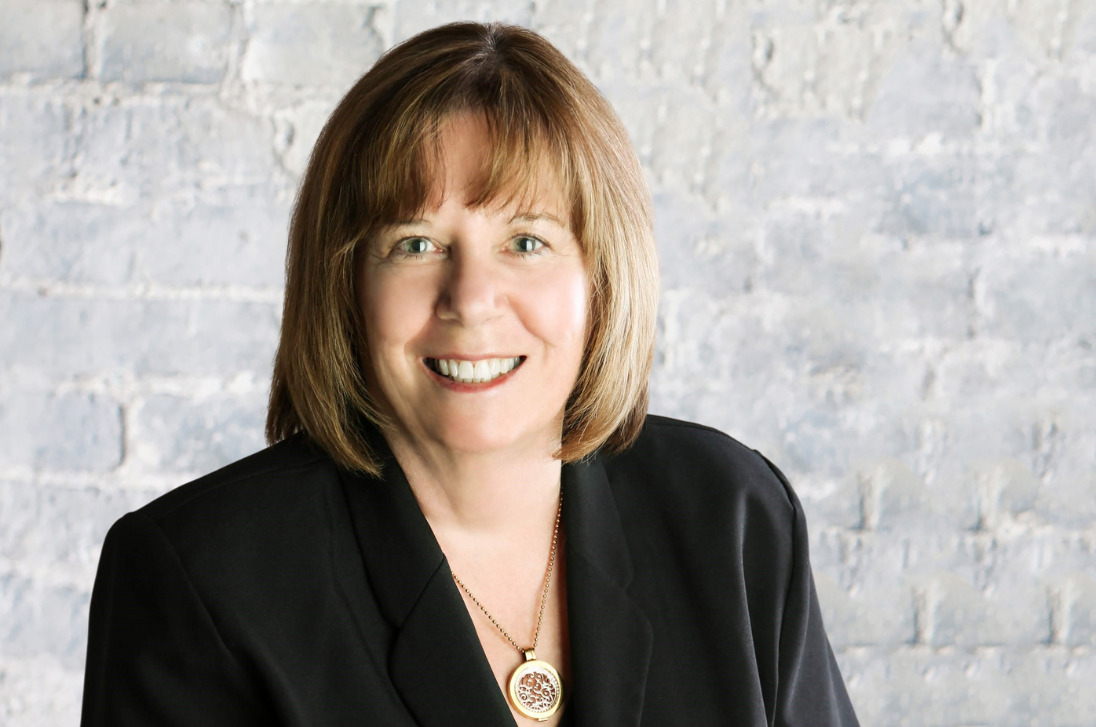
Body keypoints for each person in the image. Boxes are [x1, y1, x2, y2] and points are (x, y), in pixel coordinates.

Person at [80, 21, 859, 727]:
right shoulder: (197, 576)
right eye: (415, 244)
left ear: (602, 276)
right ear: (345, 285)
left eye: (526, 241)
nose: (472, 299)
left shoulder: (734, 516)